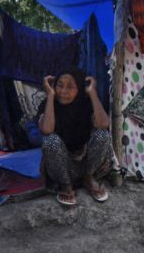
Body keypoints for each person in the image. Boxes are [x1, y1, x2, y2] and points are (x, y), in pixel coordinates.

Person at [37, 68, 114, 205]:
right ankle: (66, 185)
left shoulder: (86, 104)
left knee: (103, 135)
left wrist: (92, 93)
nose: (63, 91)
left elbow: (104, 124)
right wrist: (50, 95)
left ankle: (88, 178)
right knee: (50, 141)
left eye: (70, 86)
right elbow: (47, 130)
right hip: (63, 167)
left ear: (79, 88)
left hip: (88, 165)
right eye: (59, 85)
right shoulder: (47, 105)